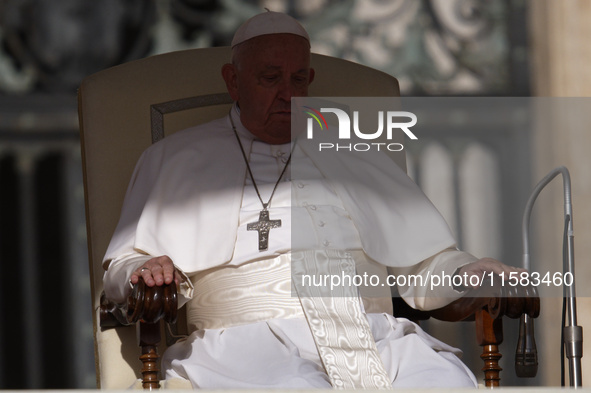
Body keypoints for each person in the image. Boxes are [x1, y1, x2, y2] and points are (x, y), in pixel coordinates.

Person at [103, 10, 522, 389]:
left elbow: (426, 264)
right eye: (270, 78)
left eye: (298, 79)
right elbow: (121, 267)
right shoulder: (175, 158)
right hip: (246, 348)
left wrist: (468, 269)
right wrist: (145, 267)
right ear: (233, 80)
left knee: (445, 382)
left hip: (374, 337)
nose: (288, 94)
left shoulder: (357, 151)